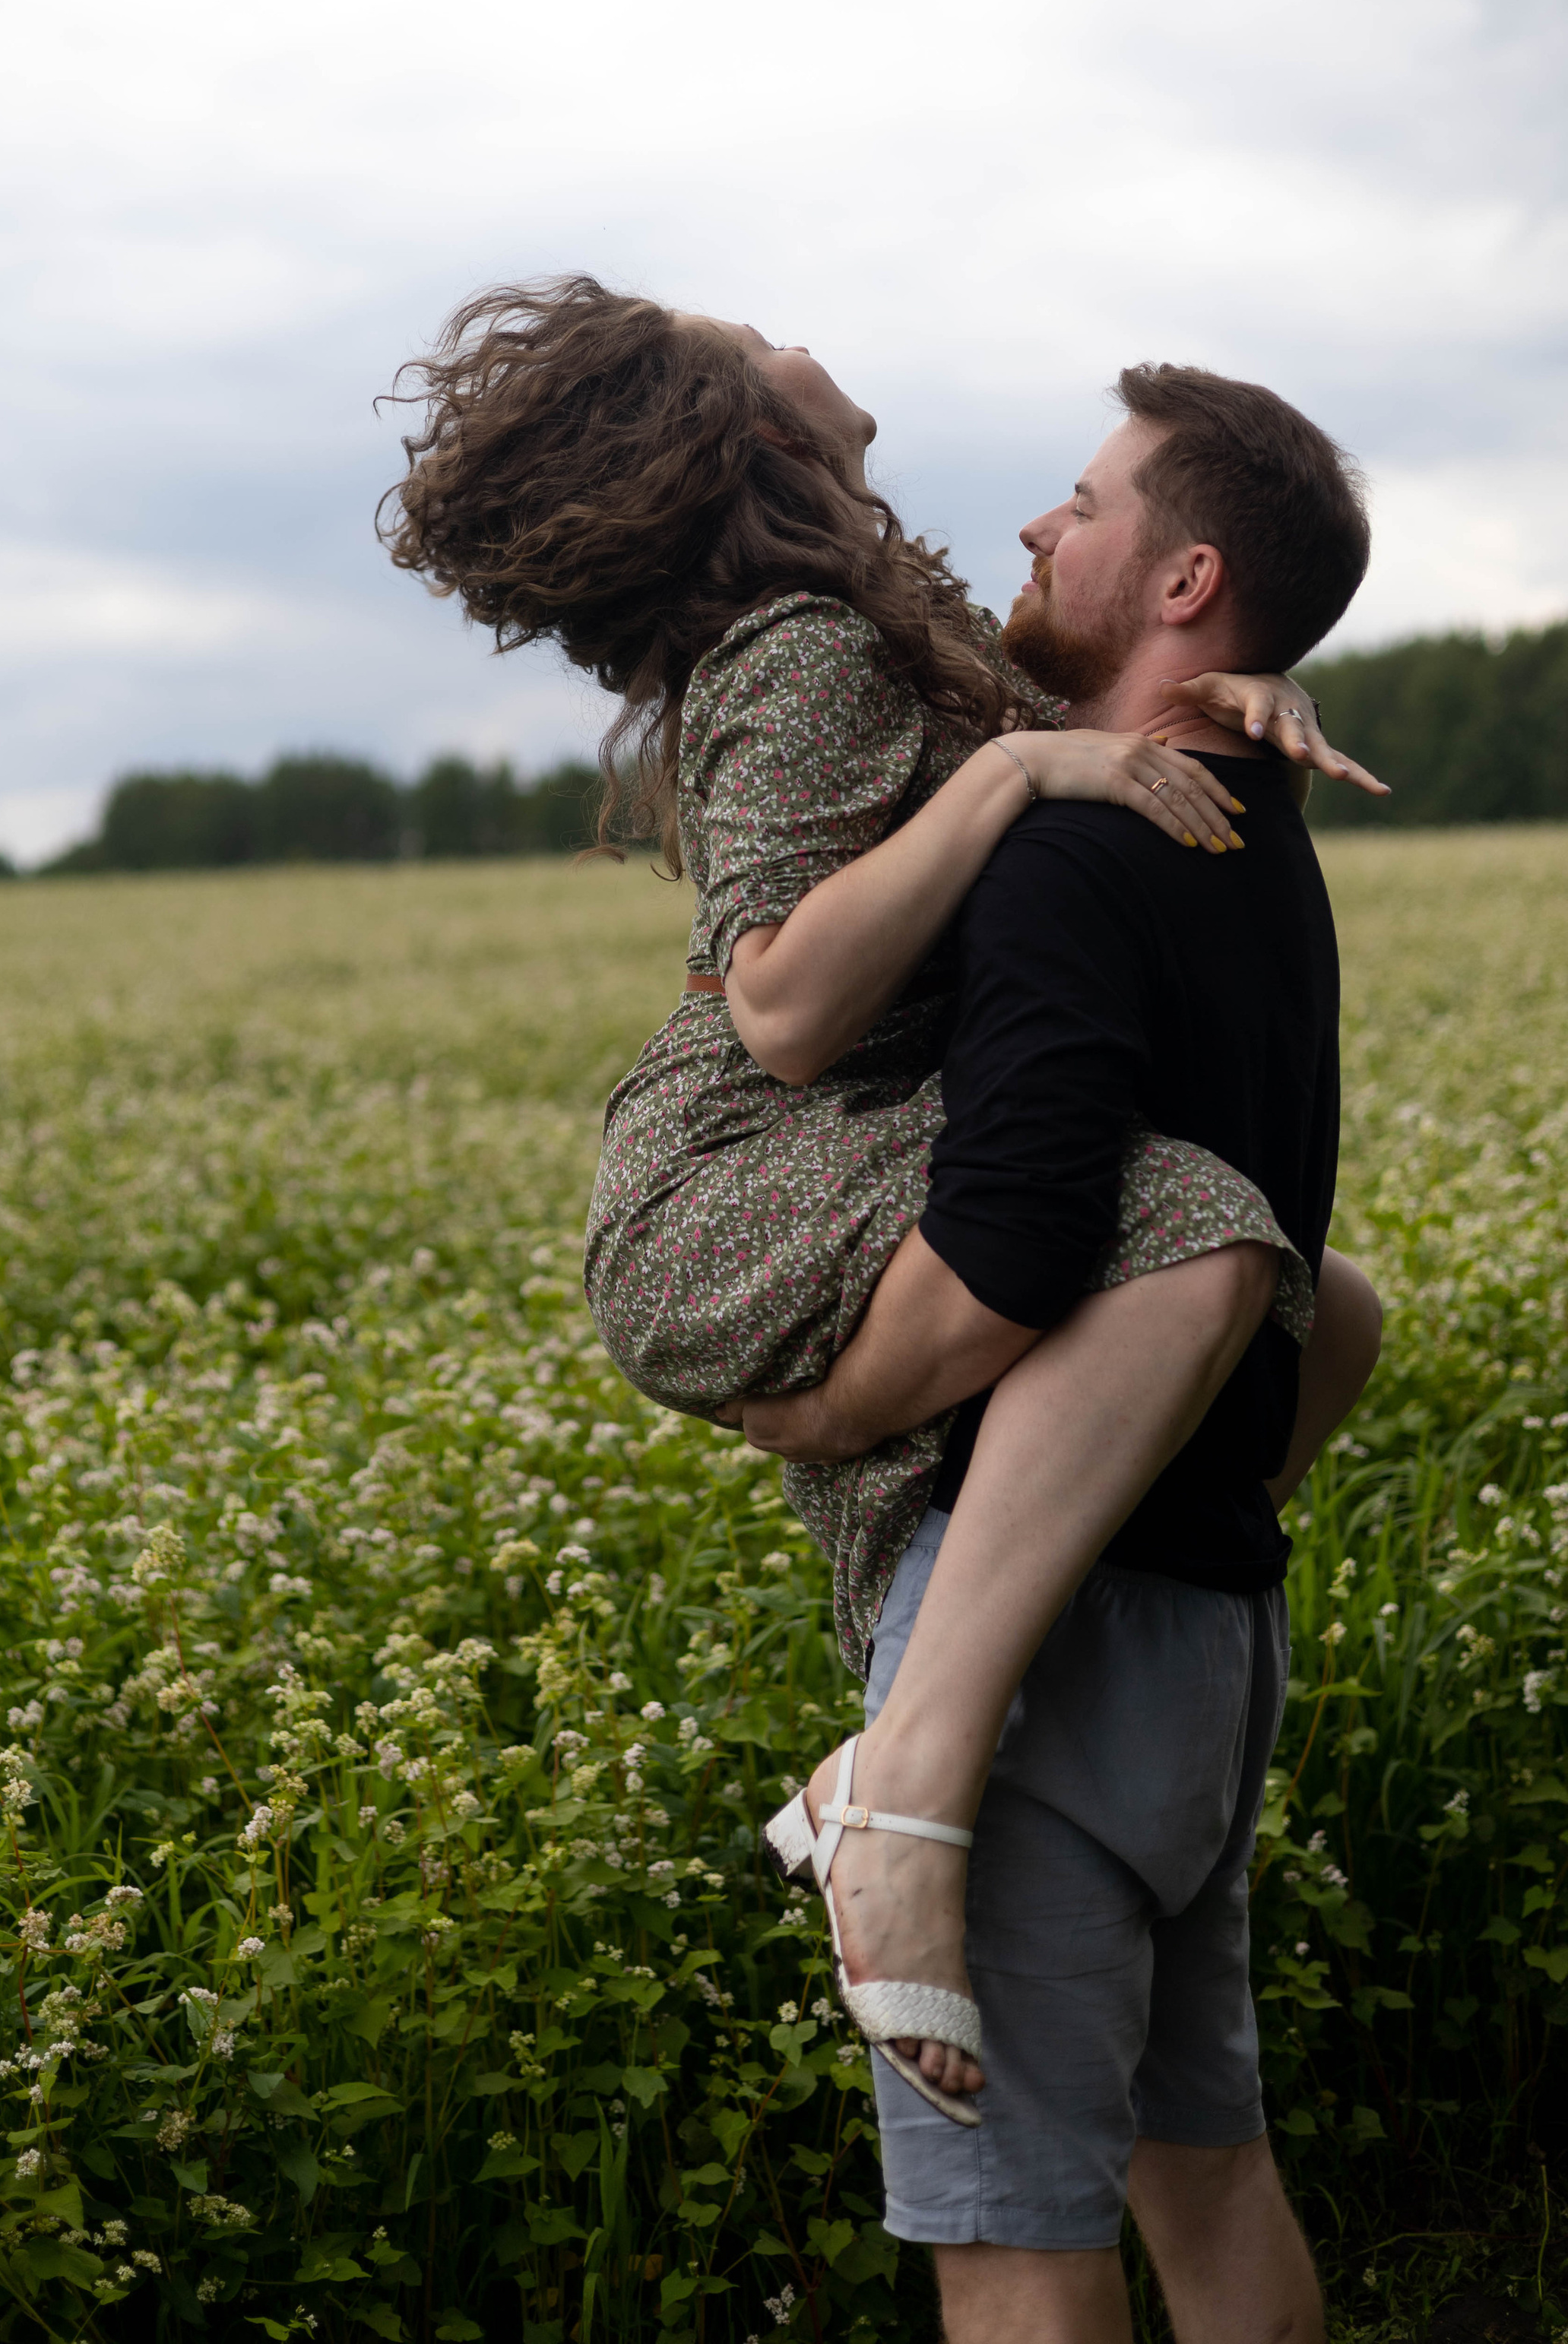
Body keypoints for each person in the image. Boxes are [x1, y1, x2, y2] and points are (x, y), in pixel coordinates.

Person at [379, 279, 1382, 2131]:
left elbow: (1106, 688)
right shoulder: (790, 646)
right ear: (752, 430)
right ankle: (909, 1789)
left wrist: (1240, 680)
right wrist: (1014, 767)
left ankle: (1007, 1630)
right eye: (744, 333)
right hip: (731, 1179)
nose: (789, 330)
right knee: (1190, 1223)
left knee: (1336, 1301)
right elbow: (772, 1001)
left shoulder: (883, 621)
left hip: (837, 1150)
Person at [742, 367, 1375, 2339]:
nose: (1034, 527)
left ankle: (890, 1800)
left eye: (1082, 502)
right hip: (1208, 1632)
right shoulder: (1246, 826)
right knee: (1210, 2175)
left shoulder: (1074, 855)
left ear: (1185, 578)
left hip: (1051, 1635)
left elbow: (1016, 1251)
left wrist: (816, 1402)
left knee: (1019, 2240)